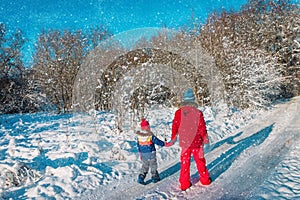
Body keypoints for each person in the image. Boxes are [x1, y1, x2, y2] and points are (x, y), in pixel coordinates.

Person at [166, 88, 211, 191]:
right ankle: (205, 180)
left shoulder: (178, 113)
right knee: (200, 162)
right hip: (197, 143)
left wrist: (173, 138)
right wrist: (206, 141)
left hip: (185, 143)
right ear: (193, 100)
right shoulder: (198, 113)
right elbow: (202, 128)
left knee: (185, 163)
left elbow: (175, 126)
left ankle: (184, 183)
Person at [136, 118, 165, 185]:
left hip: (143, 154)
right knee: (153, 165)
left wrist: (140, 152)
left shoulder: (139, 136)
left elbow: (138, 145)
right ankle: (155, 177)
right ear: (146, 127)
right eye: (148, 127)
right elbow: (157, 141)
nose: (149, 128)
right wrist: (164, 144)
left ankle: (141, 177)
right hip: (151, 152)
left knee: (145, 166)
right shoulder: (150, 135)